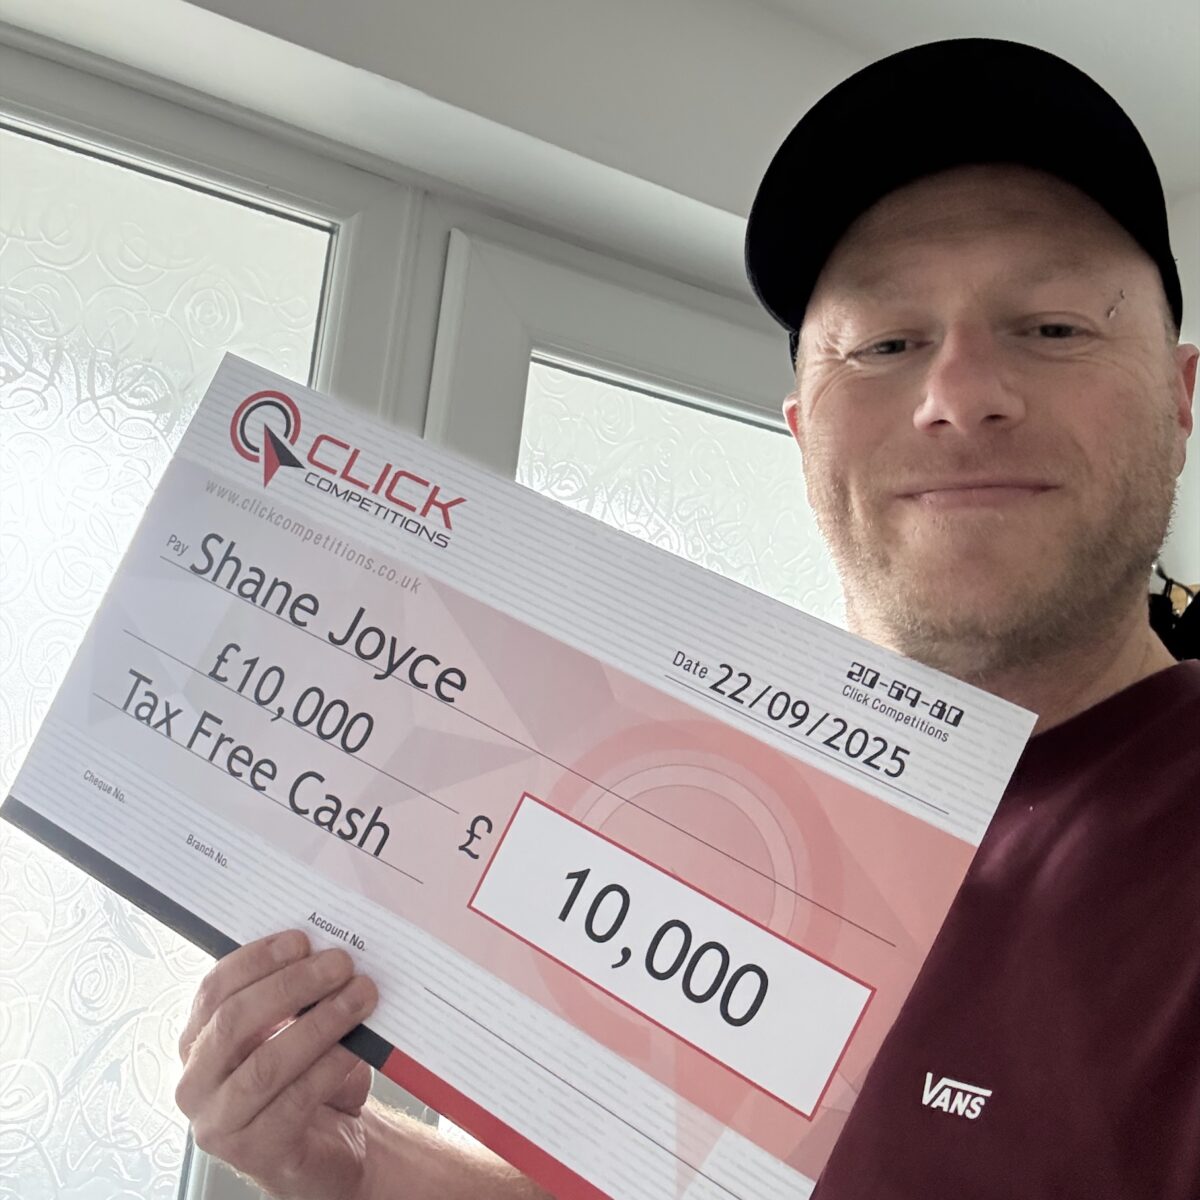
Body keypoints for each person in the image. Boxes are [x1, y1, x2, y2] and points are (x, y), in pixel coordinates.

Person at [173, 38, 1200, 1200]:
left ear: (1180, 399)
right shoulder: (701, 814)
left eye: (1054, 327)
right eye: (886, 344)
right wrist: (360, 1164)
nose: (959, 394)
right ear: (805, 432)